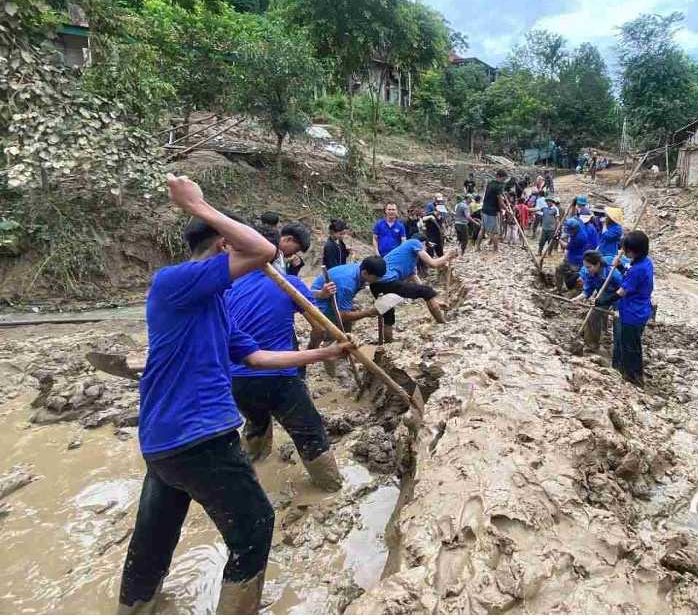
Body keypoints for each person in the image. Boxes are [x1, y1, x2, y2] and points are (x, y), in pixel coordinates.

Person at [119, 175, 350, 615]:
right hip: (201, 435)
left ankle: (136, 606)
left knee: (154, 540)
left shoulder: (215, 307)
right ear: (225, 246)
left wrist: (325, 354)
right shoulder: (173, 281)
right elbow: (264, 251)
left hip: (163, 444)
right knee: (256, 526)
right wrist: (198, 205)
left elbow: (259, 357)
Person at [226, 265, 345, 491]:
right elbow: (319, 328)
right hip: (278, 376)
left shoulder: (227, 285)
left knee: (256, 423)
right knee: (310, 435)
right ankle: (330, 488)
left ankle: (252, 473)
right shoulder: (287, 282)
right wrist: (310, 351)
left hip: (237, 379)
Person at [369, 237, 456, 341]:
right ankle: (442, 323)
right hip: (388, 281)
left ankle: (388, 343)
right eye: (426, 247)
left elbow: (419, 286)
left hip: (375, 284)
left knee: (388, 314)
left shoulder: (408, 261)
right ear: (423, 244)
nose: (426, 250)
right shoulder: (415, 242)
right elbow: (433, 264)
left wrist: (435, 301)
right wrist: (447, 256)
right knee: (427, 291)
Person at [612, 231, 654, 385]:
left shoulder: (638, 269)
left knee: (630, 347)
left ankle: (633, 378)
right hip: (639, 310)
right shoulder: (645, 262)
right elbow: (631, 278)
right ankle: (625, 371)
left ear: (634, 251)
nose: (625, 252)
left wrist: (602, 301)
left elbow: (622, 292)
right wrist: (621, 267)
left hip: (633, 313)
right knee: (629, 344)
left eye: (627, 250)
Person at [574, 250, 623, 350]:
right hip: (605, 292)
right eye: (586, 267)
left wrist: (617, 309)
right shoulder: (588, 273)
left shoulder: (612, 273)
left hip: (619, 294)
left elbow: (624, 289)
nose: (587, 270)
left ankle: (619, 348)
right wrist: (577, 299)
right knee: (593, 314)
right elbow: (587, 291)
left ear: (598, 264)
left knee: (619, 320)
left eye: (589, 267)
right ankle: (592, 344)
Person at [556, 218, 589, 291]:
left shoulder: (580, 238)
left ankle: (574, 293)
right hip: (570, 256)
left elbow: (566, 246)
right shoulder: (579, 224)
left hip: (576, 260)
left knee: (573, 277)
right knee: (559, 269)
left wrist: (558, 239)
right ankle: (559, 289)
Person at [481, 169, 509, 252]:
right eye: (503, 179)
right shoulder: (498, 187)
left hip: (485, 208)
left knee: (483, 229)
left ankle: (477, 247)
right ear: (498, 177)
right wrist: (507, 209)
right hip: (492, 211)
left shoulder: (490, 183)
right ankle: (495, 249)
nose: (503, 181)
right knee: (495, 232)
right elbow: (500, 202)